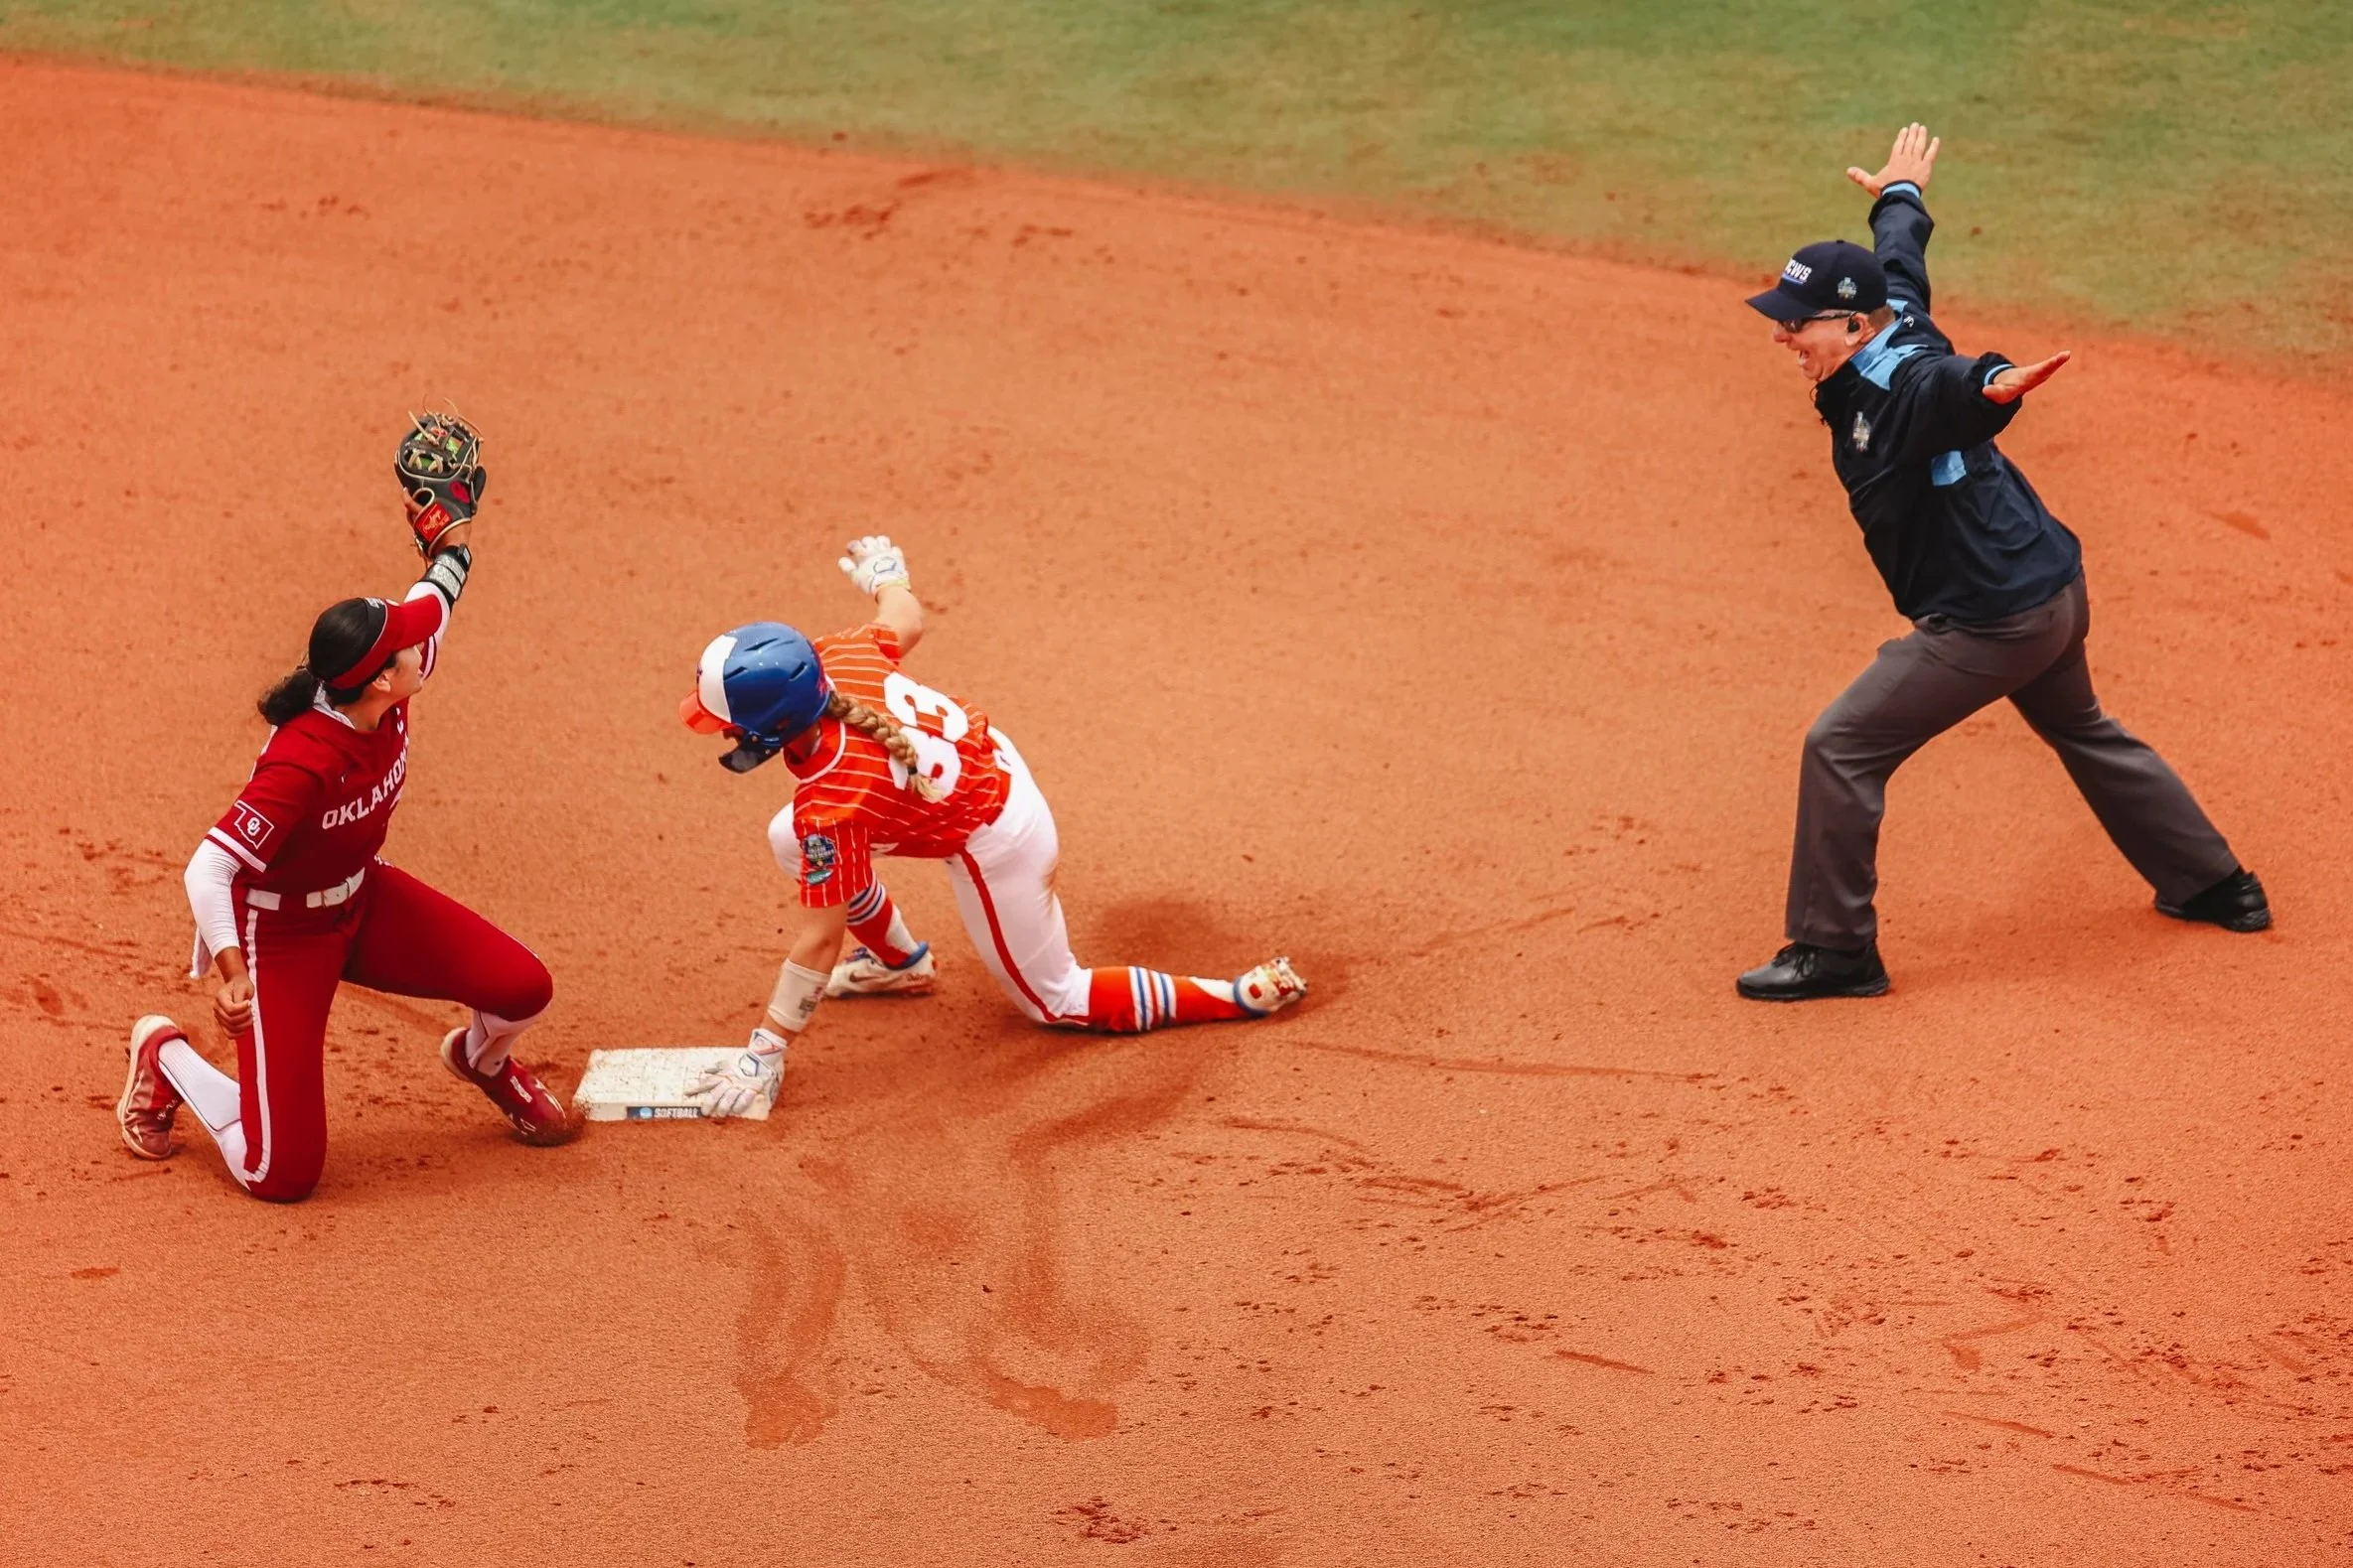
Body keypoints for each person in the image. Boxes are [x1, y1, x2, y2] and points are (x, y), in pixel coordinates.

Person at [1735, 123, 2266, 1002]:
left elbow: (1950, 391)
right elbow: (1896, 258)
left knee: (1839, 746)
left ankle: (1835, 950)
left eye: (1796, 325)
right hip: (2049, 587)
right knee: (2081, 725)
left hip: (1989, 619)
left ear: (1852, 324)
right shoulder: (1894, 315)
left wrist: (1991, 385)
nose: (1782, 338)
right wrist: (1897, 197)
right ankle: (2216, 884)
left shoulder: (1900, 388)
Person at [677, 535, 1305, 1116]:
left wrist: (766, 1050)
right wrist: (886, 576)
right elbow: (907, 618)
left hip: (997, 836)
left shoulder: (834, 801)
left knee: (1056, 999)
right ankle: (901, 964)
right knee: (790, 838)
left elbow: (819, 940)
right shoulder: (835, 658)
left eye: (729, 722)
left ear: (771, 728)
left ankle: (1233, 995)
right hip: (984, 764)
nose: (726, 732)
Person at [115, 413, 570, 1200]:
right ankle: (164, 1056)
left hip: (363, 900)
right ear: (384, 680)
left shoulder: (385, 676)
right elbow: (208, 866)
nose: (419, 643)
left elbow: (438, 594)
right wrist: (230, 972)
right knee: (279, 1171)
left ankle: (482, 1059)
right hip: (281, 935)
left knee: (523, 986)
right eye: (404, 646)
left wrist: (451, 538)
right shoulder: (303, 759)